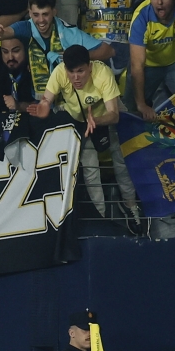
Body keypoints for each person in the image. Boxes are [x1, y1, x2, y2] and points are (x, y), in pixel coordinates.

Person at [27, 44, 140, 225]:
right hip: (81, 122)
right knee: (90, 170)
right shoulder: (59, 73)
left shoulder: (103, 74)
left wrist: (95, 120)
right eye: (71, 72)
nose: (76, 77)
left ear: (90, 67)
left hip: (108, 118)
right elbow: (47, 98)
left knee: (122, 163)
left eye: (80, 71)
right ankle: (101, 217)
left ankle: (130, 205)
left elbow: (114, 114)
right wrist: (44, 107)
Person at [0, 0, 114, 93]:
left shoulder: (68, 33)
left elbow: (108, 51)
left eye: (45, 14)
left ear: (54, 12)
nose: (40, 20)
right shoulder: (26, 28)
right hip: (38, 97)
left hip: (67, 98)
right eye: (36, 15)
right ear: (29, 13)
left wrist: (76, 57)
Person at [0, 34, 37, 113]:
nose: (10, 57)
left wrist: (19, 106)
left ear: (26, 49)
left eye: (16, 51)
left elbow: (45, 105)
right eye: (5, 52)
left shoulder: (37, 65)